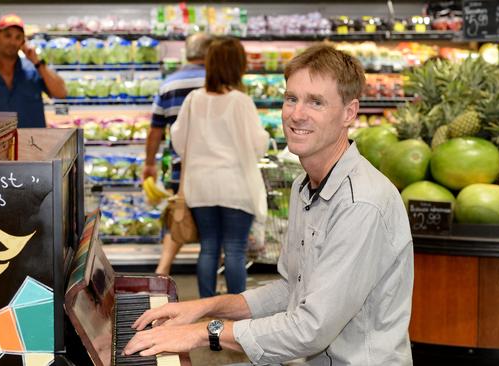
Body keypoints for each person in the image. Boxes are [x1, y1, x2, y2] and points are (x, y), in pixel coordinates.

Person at [123, 44, 414, 365]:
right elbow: (291, 291)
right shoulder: (305, 186)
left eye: (316, 102)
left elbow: (310, 329)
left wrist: (204, 331)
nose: (297, 114)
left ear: (349, 113)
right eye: (291, 99)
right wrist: (203, 306)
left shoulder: (362, 204)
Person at [169, 36, 269, 298]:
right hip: (236, 184)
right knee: (235, 249)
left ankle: (206, 307)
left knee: (209, 247)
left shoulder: (193, 99)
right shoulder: (240, 101)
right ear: (237, 66)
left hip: (200, 186)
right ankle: (237, 312)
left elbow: (178, 140)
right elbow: (258, 145)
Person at [142, 32, 212, 276]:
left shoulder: (169, 84)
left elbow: (155, 130)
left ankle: (162, 269)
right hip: (215, 166)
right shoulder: (217, 83)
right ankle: (211, 277)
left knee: (178, 215)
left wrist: (149, 163)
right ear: (210, 53)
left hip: (180, 166)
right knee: (212, 226)